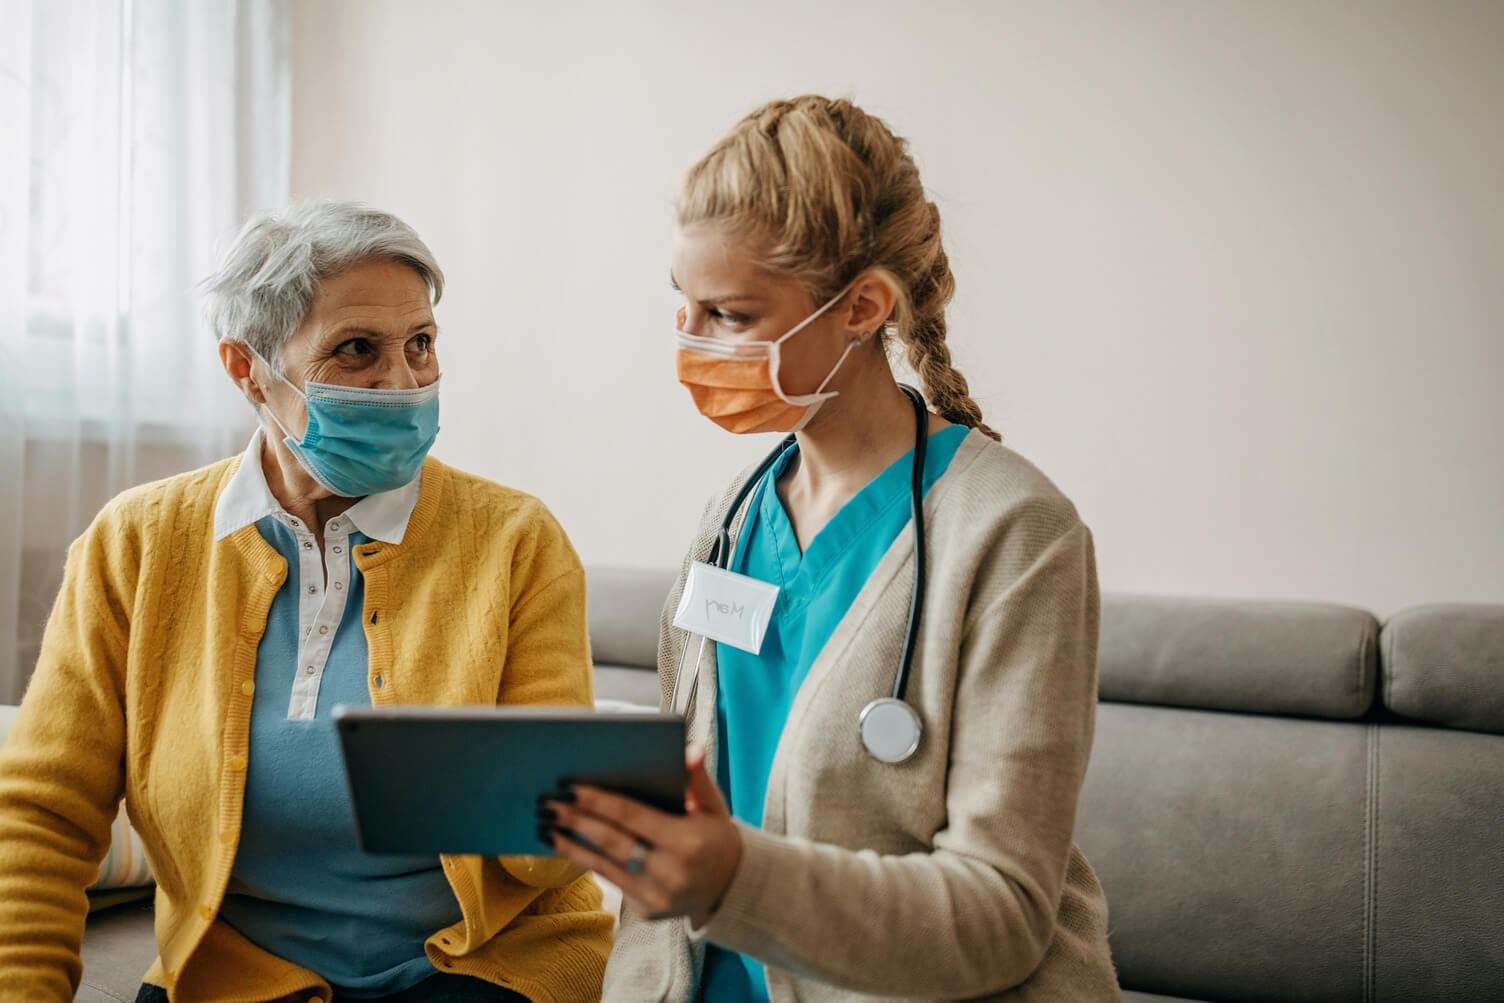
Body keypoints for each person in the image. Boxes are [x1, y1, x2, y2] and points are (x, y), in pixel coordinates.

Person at [540, 97, 1120, 1000]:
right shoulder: (731, 520)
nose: (693, 345)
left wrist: (733, 879)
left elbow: (1001, 913)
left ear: (861, 308)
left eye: (729, 314)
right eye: (682, 307)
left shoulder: (1015, 535)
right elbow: (683, 832)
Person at [0, 201, 611, 1002]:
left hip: (483, 966)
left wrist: (566, 806)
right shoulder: (136, 544)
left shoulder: (517, 541)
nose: (404, 382)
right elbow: (44, 811)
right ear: (246, 367)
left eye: (421, 344)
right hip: (237, 978)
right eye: (358, 350)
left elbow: (550, 853)